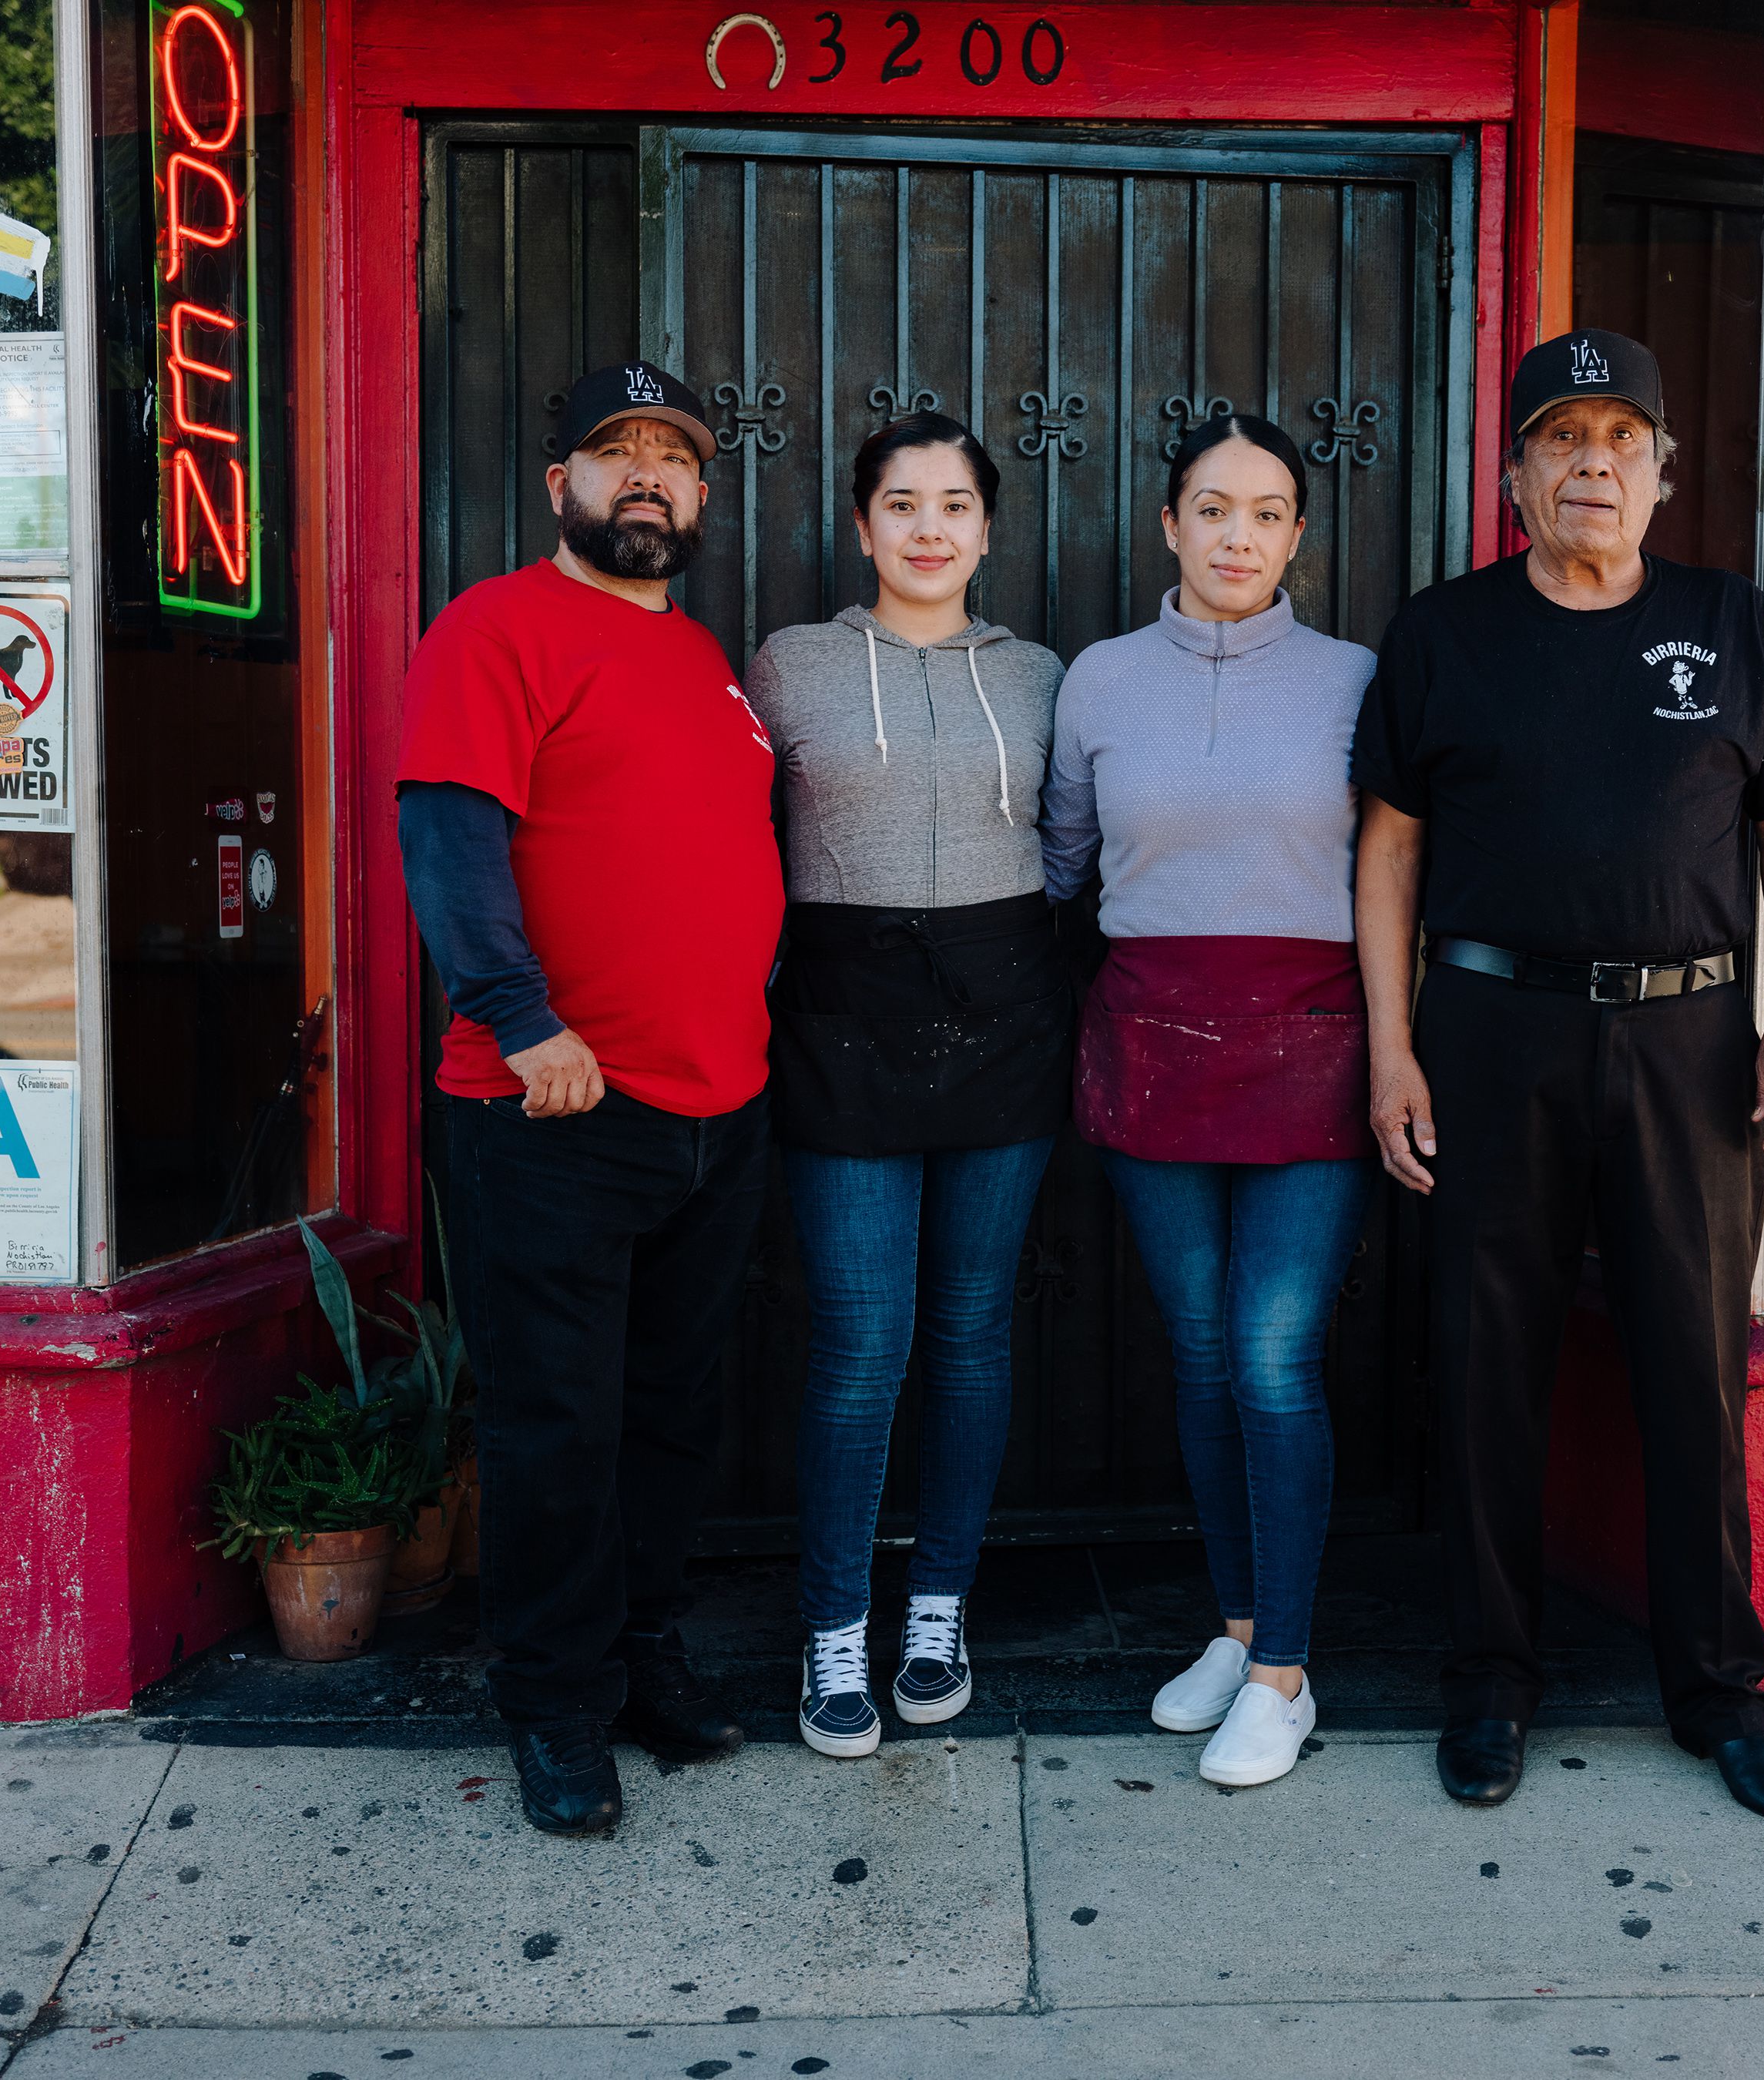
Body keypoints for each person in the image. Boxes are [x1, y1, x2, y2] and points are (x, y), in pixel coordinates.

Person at [1351, 328, 1764, 1825]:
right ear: (1515, 475)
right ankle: (1488, 1680)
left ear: (1659, 473)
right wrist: (1392, 1045)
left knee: (1693, 1375)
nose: (1593, 462)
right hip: (1489, 1032)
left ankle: (1718, 1690)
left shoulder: (1729, 622)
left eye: (1620, 440)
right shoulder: (1445, 634)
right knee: (1484, 1364)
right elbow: (1388, 850)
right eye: (1562, 438)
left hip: (1691, 1041)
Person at [394, 362, 783, 1838]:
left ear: (701, 495)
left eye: (673, 458)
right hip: (552, 1106)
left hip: (715, 1107)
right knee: (561, 1425)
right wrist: (522, 1017)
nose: (646, 477)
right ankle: (554, 1708)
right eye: (613, 453)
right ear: (557, 485)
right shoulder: (496, 627)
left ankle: (642, 1662)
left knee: (675, 1417)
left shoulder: (707, 663)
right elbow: (450, 833)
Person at [1042, 413, 1378, 1790]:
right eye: (1213, 509)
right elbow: (1063, 856)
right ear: (1168, 526)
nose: (1240, 535)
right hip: (1152, 1042)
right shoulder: (1100, 682)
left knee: (1271, 1361)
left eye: (1268, 512)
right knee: (1196, 1357)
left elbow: (1401, 870)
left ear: (1300, 535)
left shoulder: (1362, 678)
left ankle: (1288, 1675)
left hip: (1316, 1046)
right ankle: (1239, 1633)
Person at [744, 412, 1071, 1760]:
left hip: (1004, 1020)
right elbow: (736, 838)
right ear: (863, 524)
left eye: (954, 504)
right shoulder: (791, 666)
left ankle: (935, 1609)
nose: (929, 527)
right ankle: (835, 1633)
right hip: (842, 1021)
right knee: (862, 1341)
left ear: (988, 529)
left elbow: (1072, 846)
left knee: (972, 1336)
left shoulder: (1045, 675)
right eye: (901, 502)